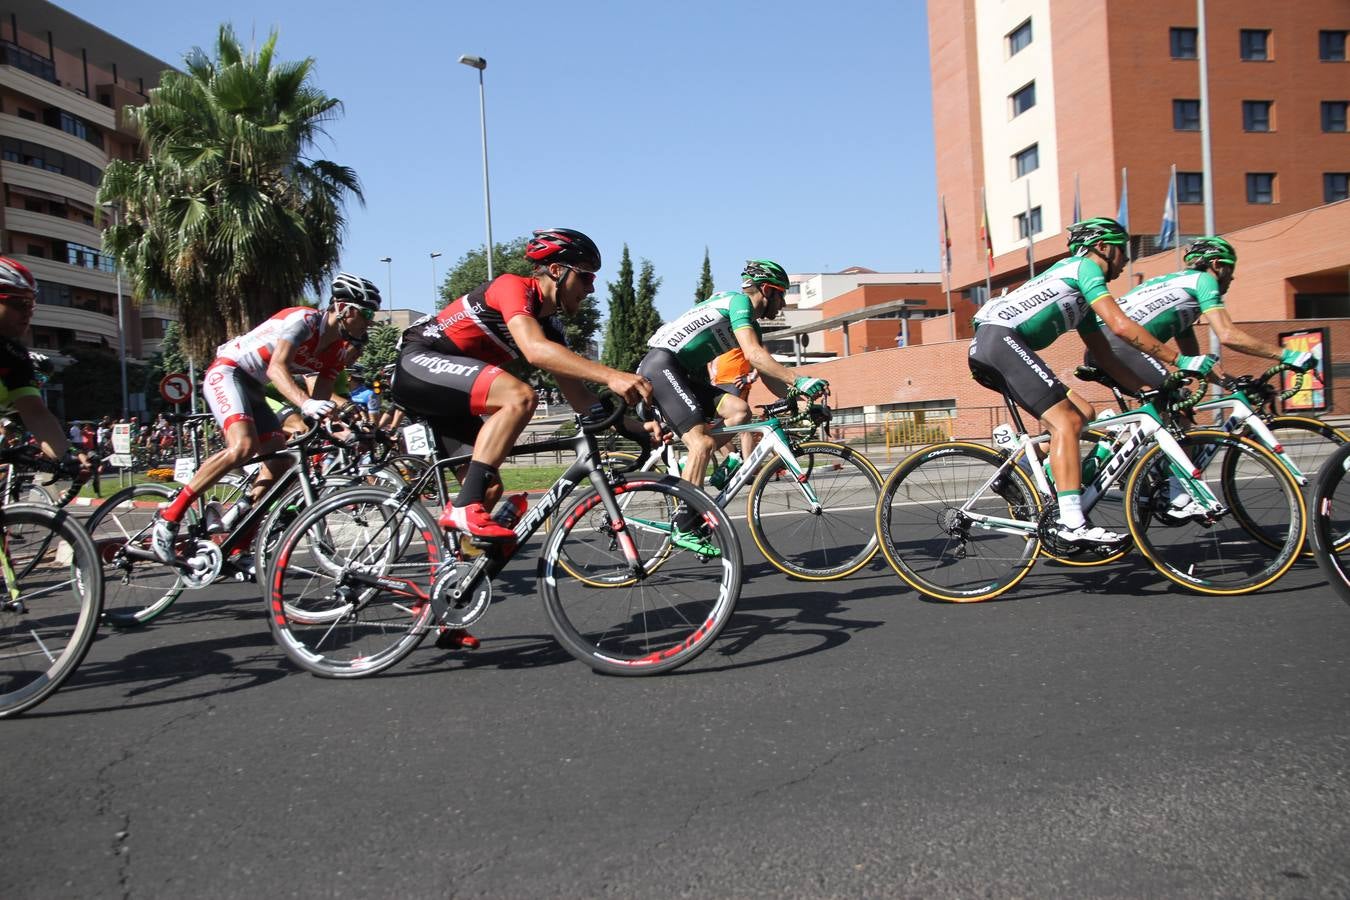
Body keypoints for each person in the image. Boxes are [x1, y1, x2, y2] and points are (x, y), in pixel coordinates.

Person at [967, 217, 1218, 547]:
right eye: (1123, 251)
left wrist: (1147, 391)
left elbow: (1106, 355)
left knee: (1081, 412)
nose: (1126, 259)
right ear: (1103, 248)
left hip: (996, 343)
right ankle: (1072, 522)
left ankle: (1025, 470)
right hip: (1000, 341)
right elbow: (1121, 327)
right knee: (1066, 422)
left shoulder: (1079, 293)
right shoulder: (1085, 269)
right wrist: (1179, 361)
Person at [392, 227, 653, 543]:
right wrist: (612, 375)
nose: (591, 289)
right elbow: (534, 350)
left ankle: (454, 570)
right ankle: (463, 511)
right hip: (419, 364)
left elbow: (580, 399)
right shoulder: (512, 287)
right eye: (585, 277)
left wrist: (637, 429)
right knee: (519, 396)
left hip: (451, 399)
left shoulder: (551, 327)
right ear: (556, 271)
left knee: (488, 488)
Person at [149, 273, 379, 562]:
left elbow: (322, 400)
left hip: (254, 388)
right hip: (229, 372)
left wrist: (346, 428)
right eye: (367, 313)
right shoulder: (304, 321)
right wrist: (306, 404)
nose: (370, 321)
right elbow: (276, 369)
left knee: (280, 463)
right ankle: (170, 517)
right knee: (242, 447)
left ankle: (238, 541)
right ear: (345, 309)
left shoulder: (336, 351)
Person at [637, 260, 827, 500]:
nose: (783, 304)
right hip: (660, 366)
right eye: (781, 295)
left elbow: (769, 378)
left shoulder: (750, 326)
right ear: (767, 290)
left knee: (739, 411)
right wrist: (799, 380)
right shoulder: (739, 303)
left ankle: (689, 463)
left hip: (677, 372)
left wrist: (804, 403)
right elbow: (754, 355)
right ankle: (688, 525)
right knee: (702, 444)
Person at [1083, 236, 1317, 388]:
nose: (1232, 277)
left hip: (1107, 345)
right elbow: (1228, 335)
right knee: (1178, 410)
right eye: (1229, 269)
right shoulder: (1204, 281)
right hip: (1120, 345)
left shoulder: (1181, 292)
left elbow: (1192, 362)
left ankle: (1115, 445)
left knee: (1169, 413)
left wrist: (1230, 384)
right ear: (1216, 264)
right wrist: (1287, 355)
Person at [0, 258, 87, 478]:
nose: (28, 312)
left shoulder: (14, 356)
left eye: (31, 305)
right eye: (20, 304)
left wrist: (68, 456)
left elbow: (36, 414)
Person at [708, 347, 759, 471]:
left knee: (743, 427)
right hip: (718, 384)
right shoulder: (718, 334)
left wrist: (752, 377)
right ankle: (735, 461)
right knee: (714, 428)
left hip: (736, 383)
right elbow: (709, 362)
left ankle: (748, 468)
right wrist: (712, 378)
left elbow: (759, 354)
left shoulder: (740, 333)